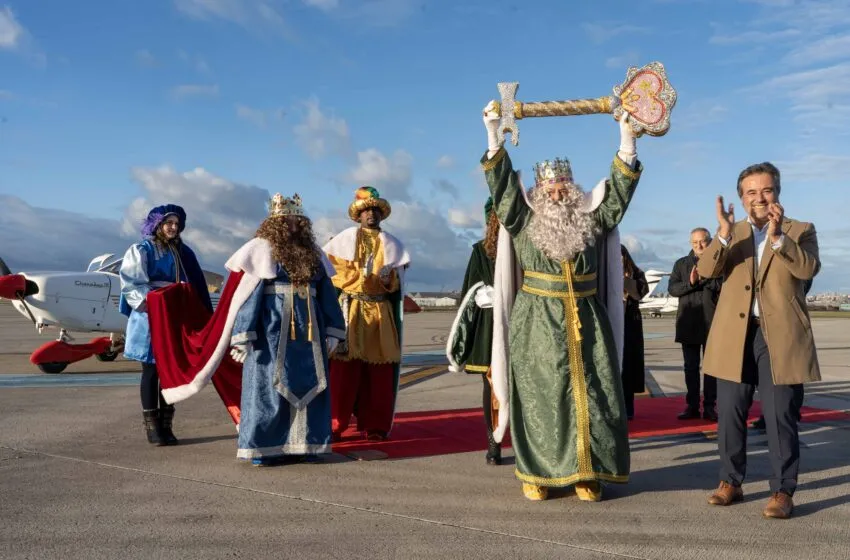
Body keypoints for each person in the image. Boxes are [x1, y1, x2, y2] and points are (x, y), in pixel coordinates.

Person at [481, 100, 641, 502]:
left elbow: (618, 197)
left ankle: (589, 471)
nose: (557, 193)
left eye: (563, 187)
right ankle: (537, 473)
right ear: (538, 190)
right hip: (536, 322)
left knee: (594, 394)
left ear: (572, 189)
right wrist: (492, 134)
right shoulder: (522, 218)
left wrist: (627, 140)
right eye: (550, 188)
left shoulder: (591, 219)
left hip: (588, 318)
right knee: (542, 399)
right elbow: (501, 189)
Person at [698, 162, 820, 519]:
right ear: (741, 197)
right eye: (751, 192)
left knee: (780, 412)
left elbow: (807, 269)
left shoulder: (800, 230)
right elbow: (706, 271)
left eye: (766, 190)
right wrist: (721, 234)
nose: (759, 198)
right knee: (730, 412)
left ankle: (782, 490)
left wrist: (778, 237)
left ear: (777, 193)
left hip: (778, 336)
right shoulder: (731, 233)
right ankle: (730, 482)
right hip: (735, 335)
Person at [227, 193, 347, 465]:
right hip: (272, 328)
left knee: (312, 384)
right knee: (270, 386)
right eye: (285, 219)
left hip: (310, 330)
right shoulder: (261, 249)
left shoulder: (313, 252)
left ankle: (307, 445)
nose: (292, 223)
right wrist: (244, 334)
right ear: (275, 222)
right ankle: (269, 448)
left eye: (296, 218)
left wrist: (333, 330)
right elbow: (250, 294)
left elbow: (327, 292)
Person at [119, 204, 212, 446]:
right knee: (151, 371)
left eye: (176, 224)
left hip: (173, 317)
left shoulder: (184, 252)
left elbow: (197, 284)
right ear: (157, 225)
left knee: (170, 371)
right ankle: (153, 427)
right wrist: (154, 303)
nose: (173, 227)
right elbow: (132, 284)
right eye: (168, 223)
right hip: (150, 317)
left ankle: (167, 425)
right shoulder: (142, 250)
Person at [323, 187, 411, 442]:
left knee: (379, 371)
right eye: (366, 210)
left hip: (380, 312)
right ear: (358, 215)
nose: (371, 214)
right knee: (343, 370)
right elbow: (333, 271)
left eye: (375, 210)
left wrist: (387, 278)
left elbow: (397, 283)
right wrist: (362, 275)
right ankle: (334, 423)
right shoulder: (343, 240)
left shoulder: (393, 244)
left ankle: (376, 425)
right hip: (350, 310)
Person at [446, 197, 503, 464]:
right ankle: (493, 443)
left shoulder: (527, 246)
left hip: (522, 321)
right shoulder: (480, 251)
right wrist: (483, 293)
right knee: (490, 384)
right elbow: (469, 288)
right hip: (490, 326)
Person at [667, 227, 721, 421]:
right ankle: (691, 406)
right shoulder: (681, 264)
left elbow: (722, 285)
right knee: (690, 367)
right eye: (695, 242)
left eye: (703, 241)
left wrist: (703, 278)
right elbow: (673, 289)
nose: (699, 245)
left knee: (711, 368)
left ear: (710, 241)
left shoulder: (718, 262)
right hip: (688, 323)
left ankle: (709, 406)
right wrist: (690, 284)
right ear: (690, 243)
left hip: (711, 323)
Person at [621, 244, 649, 420]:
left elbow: (639, 293)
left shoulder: (636, 274)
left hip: (630, 324)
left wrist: (624, 280)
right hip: (611, 322)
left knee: (629, 367)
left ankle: (628, 408)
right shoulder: (602, 272)